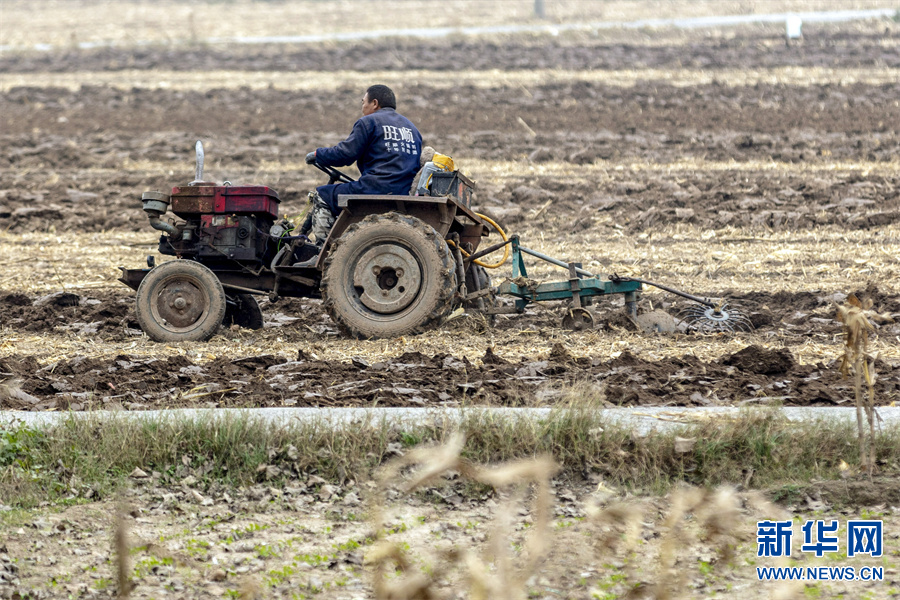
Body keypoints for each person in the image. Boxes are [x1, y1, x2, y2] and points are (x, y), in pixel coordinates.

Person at [296, 85, 422, 263]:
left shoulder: (368, 122)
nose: (362, 107)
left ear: (375, 103)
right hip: (402, 191)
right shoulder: (412, 130)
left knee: (322, 196)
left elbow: (345, 154)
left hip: (374, 189)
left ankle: (322, 254)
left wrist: (318, 154)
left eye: (363, 102)